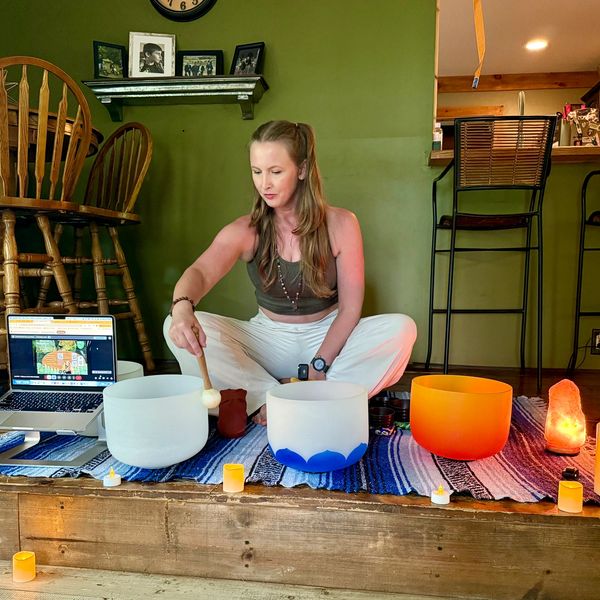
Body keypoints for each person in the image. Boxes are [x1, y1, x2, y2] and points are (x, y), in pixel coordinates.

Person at [164, 120, 417, 424]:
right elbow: (201, 272)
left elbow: (351, 309)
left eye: (275, 171)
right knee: (175, 327)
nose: (264, 184)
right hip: (268, 338)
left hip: (327, 334)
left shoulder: (342, 223)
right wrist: (182, 308)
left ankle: (306, 393)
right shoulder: (246, 229)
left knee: (402, 329)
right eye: (257, 171)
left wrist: (320, 363)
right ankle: (274, 397)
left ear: (302, 169)